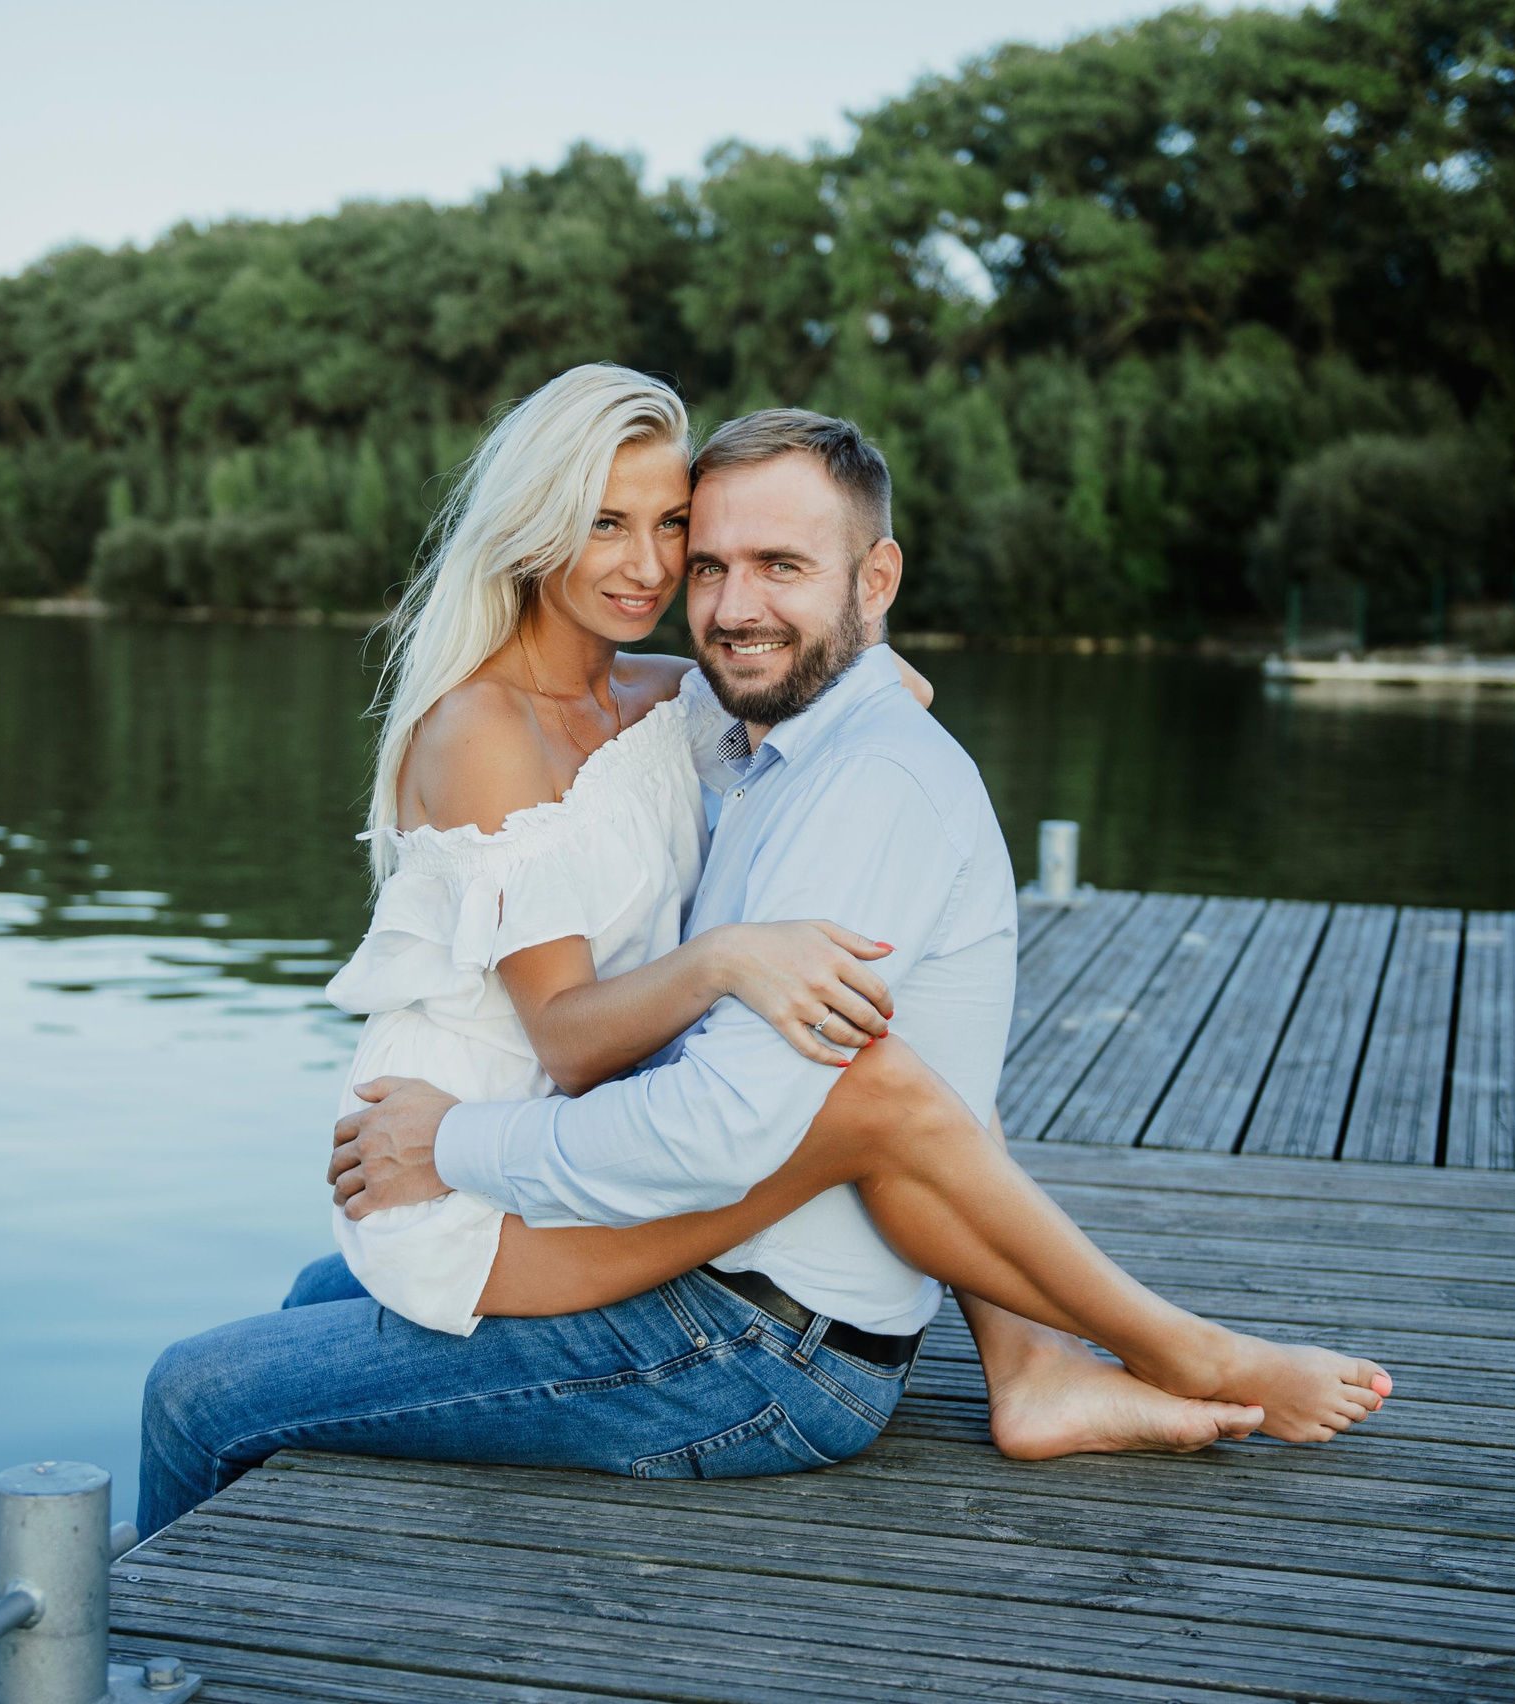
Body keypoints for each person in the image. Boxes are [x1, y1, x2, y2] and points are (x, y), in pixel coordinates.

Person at [137, 369, 1387, 1535]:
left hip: (731, 1326)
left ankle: (1147, 1352)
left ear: (873, 577)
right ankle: (1056, 1361)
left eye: (672, 529)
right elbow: (583, 1024)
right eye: (622, 530)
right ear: (531, 530)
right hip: (504, 1165)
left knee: (193, 1392)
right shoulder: (603, 721)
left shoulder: (697, 711)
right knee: (318, 1296)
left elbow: (711, 1091)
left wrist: (456, 1138)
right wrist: (724, 949)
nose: (662, 572)